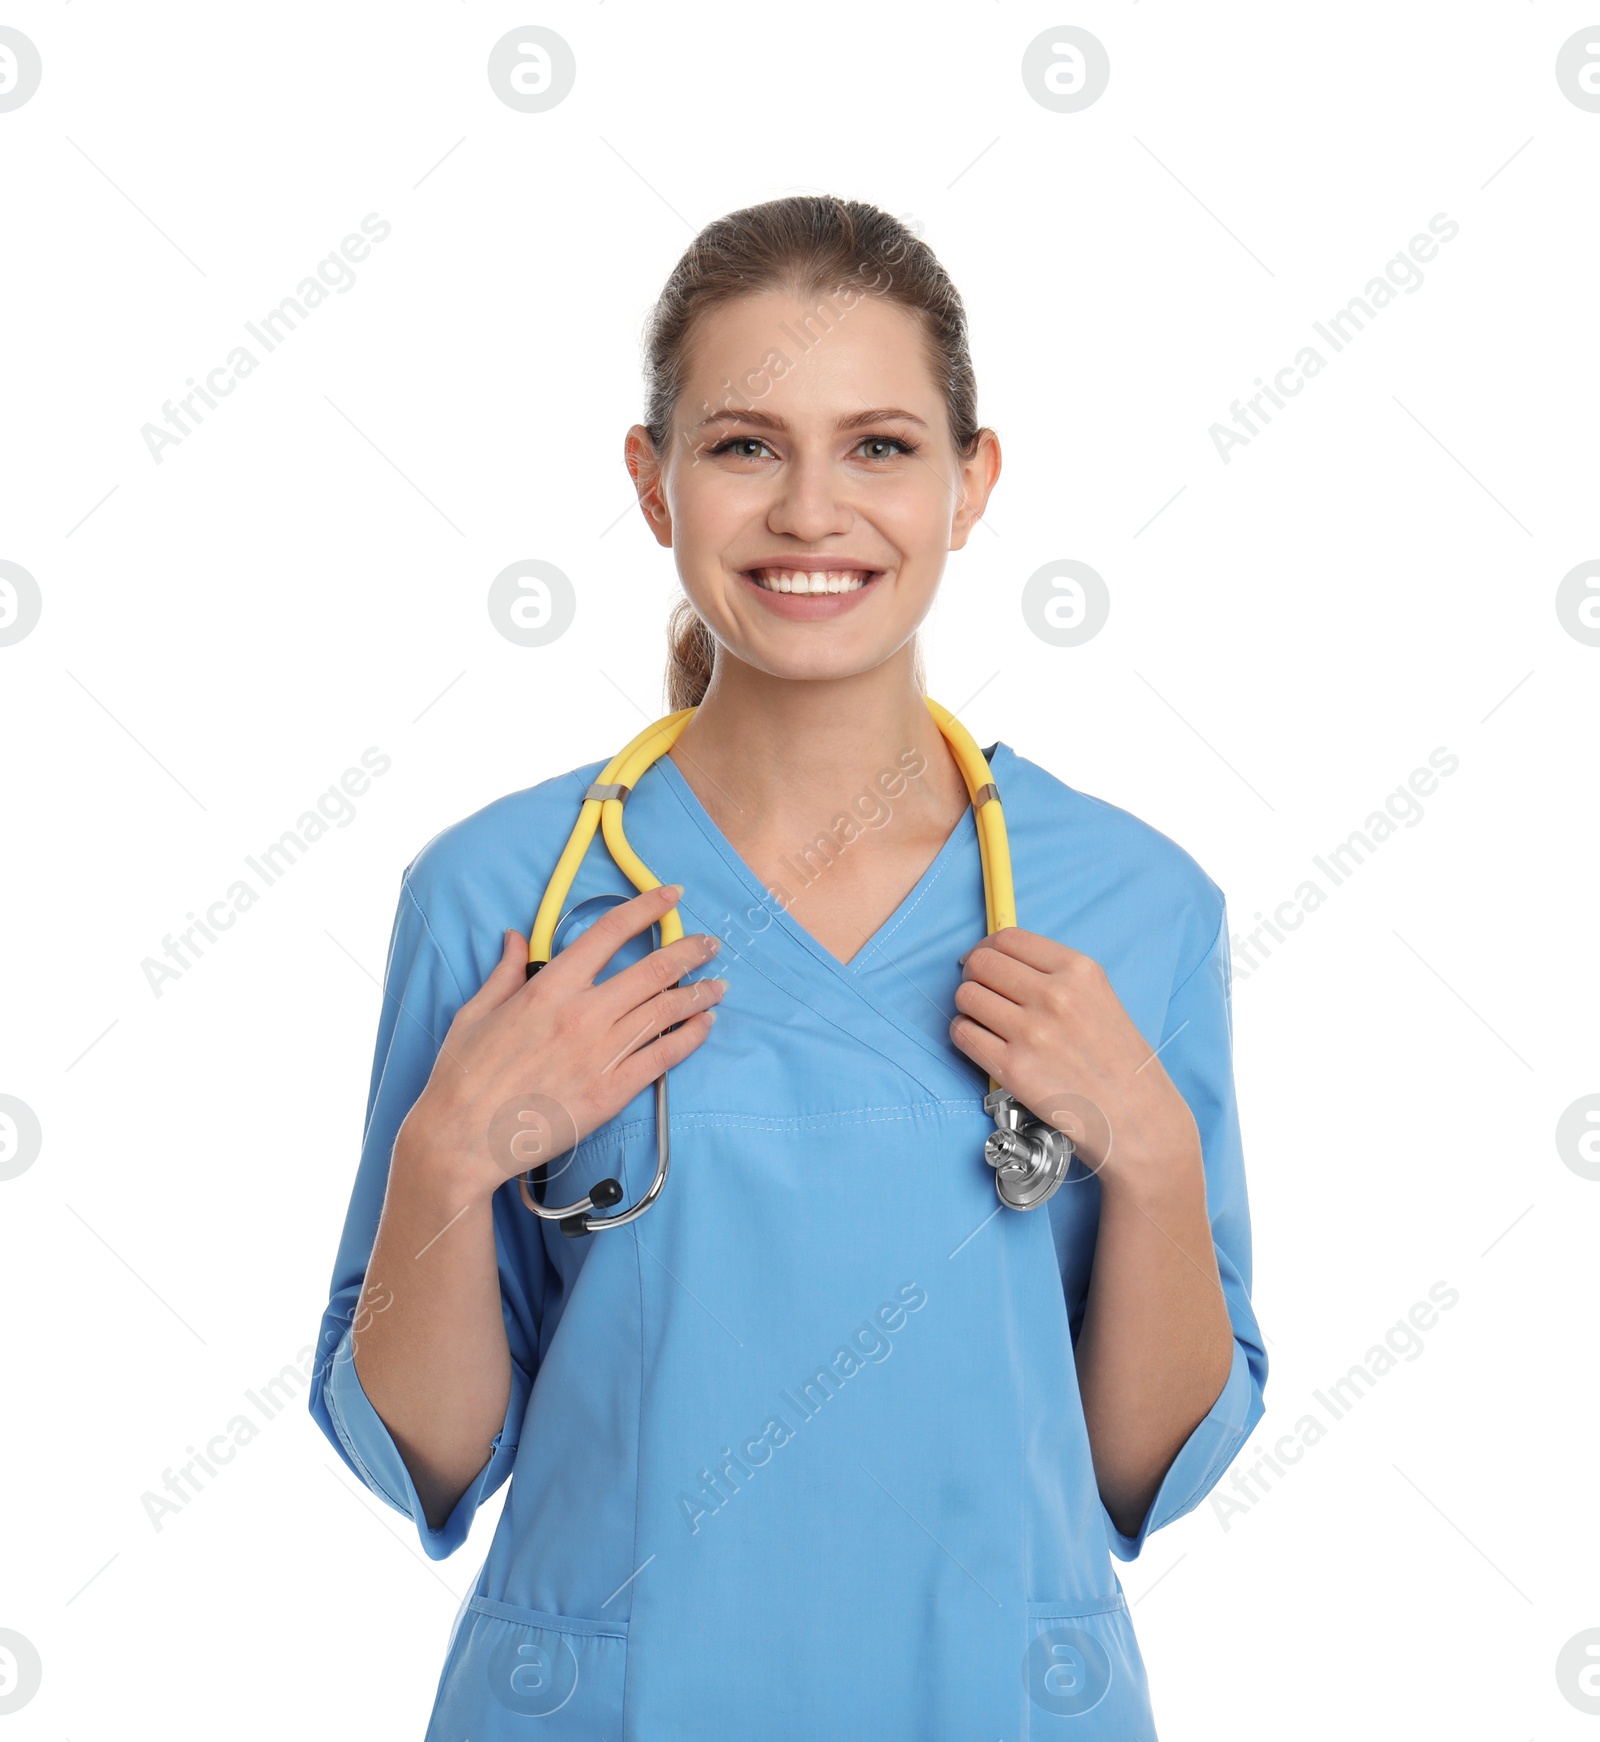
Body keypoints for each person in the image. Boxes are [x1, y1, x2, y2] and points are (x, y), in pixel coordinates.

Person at [308, 194, 1267, 1740]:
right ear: (652, 481)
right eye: (746, 445)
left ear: (973, 483)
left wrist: (1150, 1154)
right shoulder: (502, 895)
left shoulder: (1135, 903)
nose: (813, 510)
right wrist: (444, 1160)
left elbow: (1142, 1471)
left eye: (881, 446)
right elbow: (425, 1455)